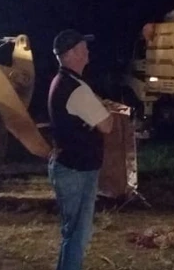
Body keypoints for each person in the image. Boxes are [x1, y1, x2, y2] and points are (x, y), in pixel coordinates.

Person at [47, 29, 113, 270]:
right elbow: (107, 125)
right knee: (78, 235)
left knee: (71, 232)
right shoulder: (77, 89)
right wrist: (103, 111)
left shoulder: (61, 81)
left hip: (66, 165)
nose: (88, 51)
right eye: (83, 48)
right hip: (78, 169)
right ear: (72, 53)